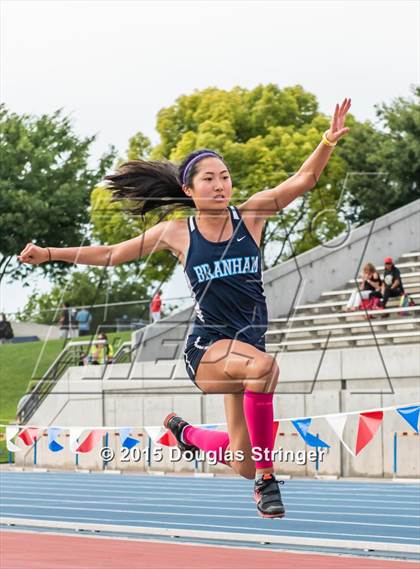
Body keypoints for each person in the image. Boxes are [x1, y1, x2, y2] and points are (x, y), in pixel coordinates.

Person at [17, 98, 352, 518]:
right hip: (208, 349)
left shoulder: (251, 216)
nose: (220, 185)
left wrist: (327, 140)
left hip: (246, 348)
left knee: (242, 461)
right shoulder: (177, 232)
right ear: (188, 191)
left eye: (225, 177)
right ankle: (269, 479)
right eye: (209, 179)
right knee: (264, 369)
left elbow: (304, 178)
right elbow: (111, 254)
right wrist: (49, 253)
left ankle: (189, 435)